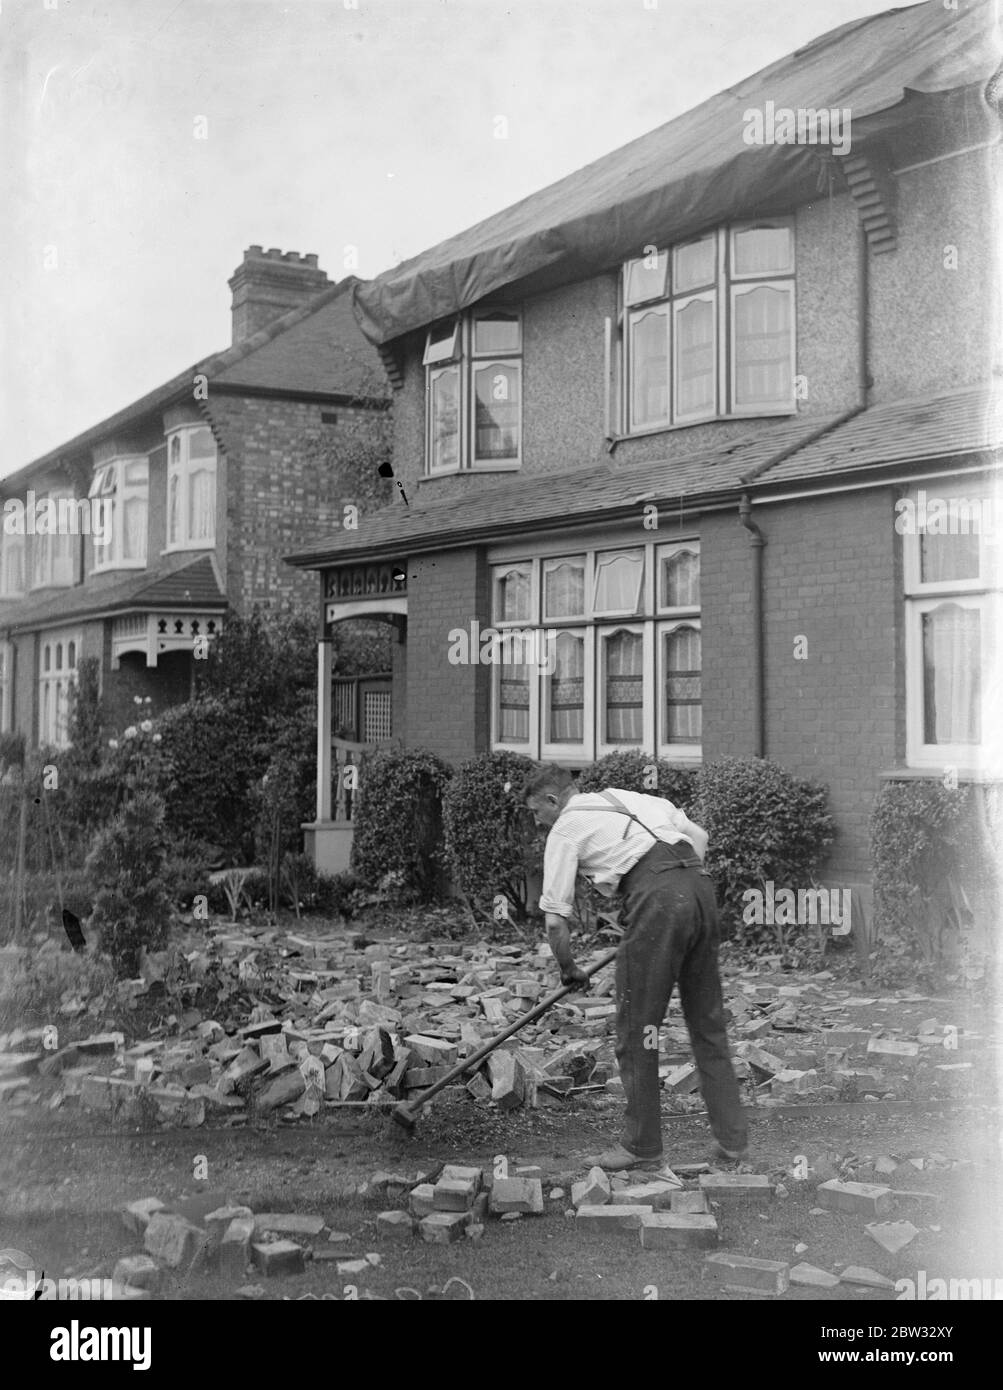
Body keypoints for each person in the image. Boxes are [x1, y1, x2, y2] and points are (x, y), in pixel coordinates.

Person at [523, 763, 747, 1171]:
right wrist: (678, 894)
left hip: (658, 901)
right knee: (708, 1023)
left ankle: (642, 1146)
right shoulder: (632, 797)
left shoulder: (566, 828)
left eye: (537, 813)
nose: (538, 823)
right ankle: (733, 1141)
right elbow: (700, 837)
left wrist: (569, 968)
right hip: (698, 890)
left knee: (638, 1028)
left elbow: (555, 920)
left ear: (554, 801)